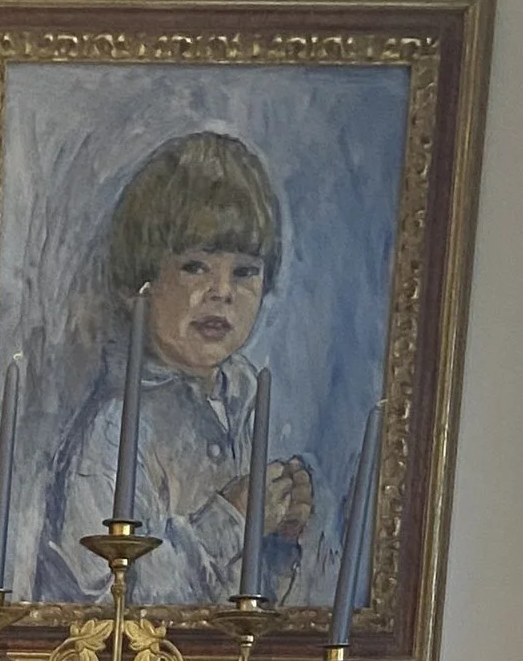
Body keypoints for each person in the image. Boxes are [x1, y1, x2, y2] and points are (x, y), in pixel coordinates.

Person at [35, 128, 316, 607]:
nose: (221, 292)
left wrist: (278, 537)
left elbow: (243, 606)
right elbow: (97, 603)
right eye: (195, 267)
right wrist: (232, 519)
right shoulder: (115, 427)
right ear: (139, 282)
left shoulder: (243, 402)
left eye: (244, 272)